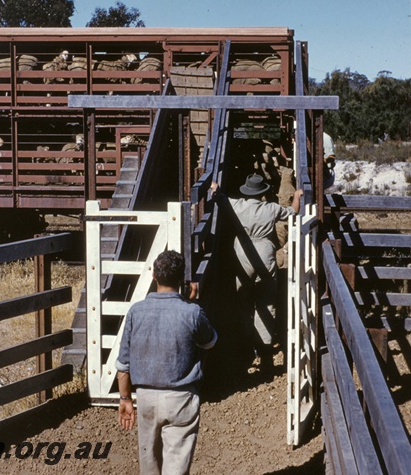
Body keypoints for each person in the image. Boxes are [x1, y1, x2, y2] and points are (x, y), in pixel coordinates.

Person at [116, 250, 218, 475]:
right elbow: (209, 341)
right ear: (182, 279)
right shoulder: (191, 312)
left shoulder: (136, 312)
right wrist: (191, 304)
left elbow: (124, 364)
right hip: (180, 398)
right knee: (176, 466)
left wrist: (125, 398)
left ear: (154, 276)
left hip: (146, 398)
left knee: (149, 464)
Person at [210, 174, 303, 373]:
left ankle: (247, 344)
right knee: (266, 302)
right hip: (265, 252)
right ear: (262, 192)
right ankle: (265, 351)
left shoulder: (236, 205)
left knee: (244, 300)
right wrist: (296, 196)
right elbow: (293, 213)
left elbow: (218, 197)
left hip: (242, 252)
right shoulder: (270, 208)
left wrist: (214, 186)